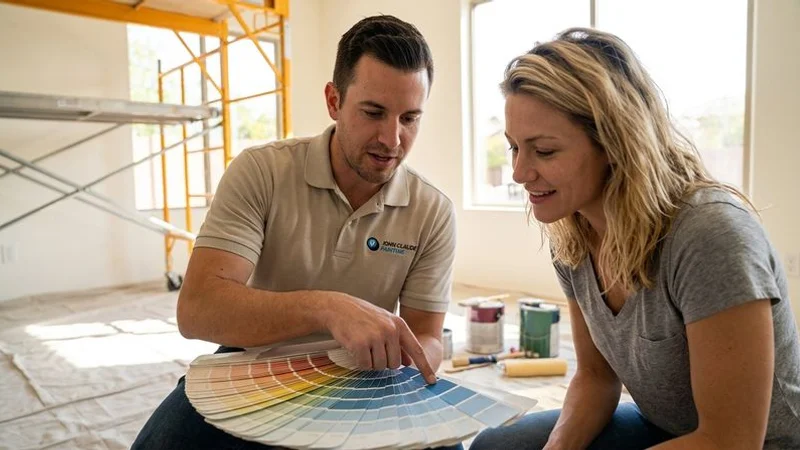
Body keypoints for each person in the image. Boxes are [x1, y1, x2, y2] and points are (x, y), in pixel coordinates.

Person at [132, 15, 461, 450]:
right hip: (254, 362)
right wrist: (327, 309)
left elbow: (427, 336)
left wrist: (409, 359)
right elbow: (197, 310)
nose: (392, 138)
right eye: (374, 113)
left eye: (410, 118)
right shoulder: (261, 172)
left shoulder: (432, 210)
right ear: (333, 101)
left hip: (364, 378)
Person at [471, 28, 800, 450]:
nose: (519, 173)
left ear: (613, 142)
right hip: (665, 426)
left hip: (753, 444)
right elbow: (596, 377)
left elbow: (730, 440)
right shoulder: (573, 235)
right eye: (514, 148)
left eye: (545, 151)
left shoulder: (711, 236)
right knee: (495, 446)